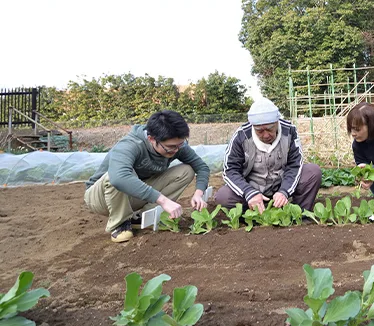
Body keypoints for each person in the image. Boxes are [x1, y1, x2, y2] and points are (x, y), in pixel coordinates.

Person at [84, 110, 210, 243]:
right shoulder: (130, 145)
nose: (176, 150)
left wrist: (198, 193)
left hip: (133, 195)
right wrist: (163, 201)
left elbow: (201, 167)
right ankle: (119, 224)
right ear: (151, 139)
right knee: (120, 174)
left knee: (186, 170)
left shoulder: (176, 146)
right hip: (102, 198)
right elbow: (118, 178)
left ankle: (140, 218)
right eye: (171, 147)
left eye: (180, 145)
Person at [215, 97, 321, 214]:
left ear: (277, 122)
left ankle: (299, 214)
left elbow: (295, 165)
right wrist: (249, 192)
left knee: (312, 172)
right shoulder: (241, 136)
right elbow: (230, 170)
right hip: (253, 189)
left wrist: (284, 191)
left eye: (270, 129)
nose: (266, 135)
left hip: (281, 186)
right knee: (223, 196)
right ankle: (253, 217)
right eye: (259, 131)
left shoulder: (289, 131)